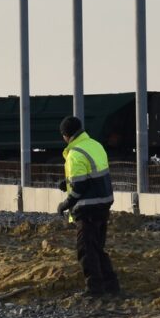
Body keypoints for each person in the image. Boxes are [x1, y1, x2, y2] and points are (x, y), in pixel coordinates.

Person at [57, 116, 121, 297]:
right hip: (103, 204)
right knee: (97, 248)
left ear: (66, 135)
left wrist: (65, 204)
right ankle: (111, 286)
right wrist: (67, 183)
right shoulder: (95, 145)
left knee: (86, 250)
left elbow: (79, 187)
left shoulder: (75, 153)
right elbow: (91, 176)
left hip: (88, 209)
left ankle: (94, 289)